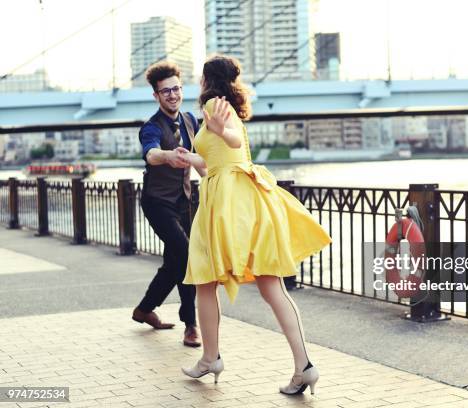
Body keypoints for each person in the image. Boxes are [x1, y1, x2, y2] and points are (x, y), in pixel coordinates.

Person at [179, 55, 331, 395]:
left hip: (229, 203)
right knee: (269, 285)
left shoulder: (216, 106)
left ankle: (210, 358)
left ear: (207, 80)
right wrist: (192, 159)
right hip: (238, 197)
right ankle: (303, 366)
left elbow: (232, 140)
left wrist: (220, 131)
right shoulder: (223, 106)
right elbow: (221, 157)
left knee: (205, 280)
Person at [132, 61, 207, 348]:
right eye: (166, 91)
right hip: (157, 202)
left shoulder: (190, 120)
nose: (172, 95)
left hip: (187, 201)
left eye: (176, 89)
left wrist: (215, 183)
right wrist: (168, 156)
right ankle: (191, 324)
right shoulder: (151, 127)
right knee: (187, 254)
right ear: (156, 96)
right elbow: (150, 154)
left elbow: (200, 158)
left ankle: (144, 310)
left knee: (174, 261)